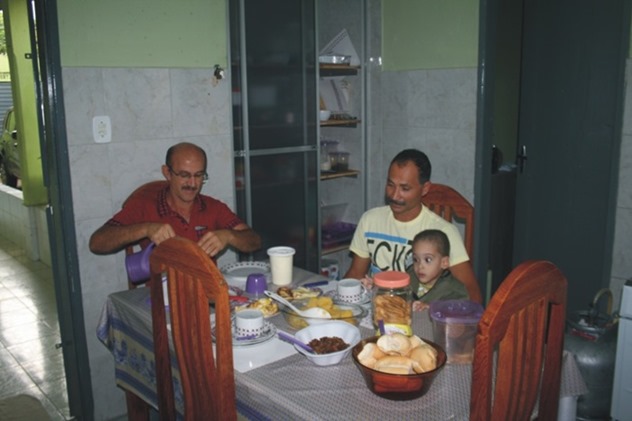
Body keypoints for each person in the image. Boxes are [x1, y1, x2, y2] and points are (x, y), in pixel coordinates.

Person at [344, 148, 482, 303]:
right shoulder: (370, 220)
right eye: (390, 185)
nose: (394, 195)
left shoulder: (443, 232)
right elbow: (355, 274)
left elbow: (472, 294)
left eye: (405, 188)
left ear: (425, 189)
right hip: (378, 308)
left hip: (418, 314)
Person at [89, 142, 261, 259]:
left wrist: (229, 235)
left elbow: (254, 241)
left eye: (199, 175)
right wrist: (145, 229)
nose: (193, 184)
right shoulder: (144, 205)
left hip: (205, 293)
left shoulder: (213, 207)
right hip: (161, 299)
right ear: (167, 173)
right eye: (184, 175)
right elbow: (97, 243)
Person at [407, 229, 469, 311]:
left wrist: (432, 307)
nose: (420, 266)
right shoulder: (409, 278)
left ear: (444, 262)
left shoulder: (454, 290)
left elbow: (460, 309)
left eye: (428, 260)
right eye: (416, 259)